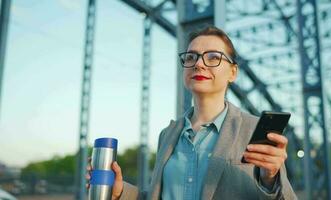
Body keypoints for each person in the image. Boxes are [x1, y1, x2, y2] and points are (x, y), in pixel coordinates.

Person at [86, 25, 297, 200]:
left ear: (233, 72)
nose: (198, 64)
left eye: (213, 57)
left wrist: (271, 179)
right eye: (191, 57)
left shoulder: (253, 129)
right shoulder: (167, 134)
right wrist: (120, 191)